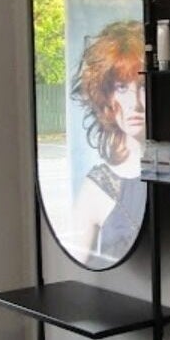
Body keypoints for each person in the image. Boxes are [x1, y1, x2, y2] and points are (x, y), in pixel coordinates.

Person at [68, 20, 146, 266]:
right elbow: (74, 275)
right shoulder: (96, 189)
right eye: (121, 88)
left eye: (143, 87)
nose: (135, 103)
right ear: (107, 96)